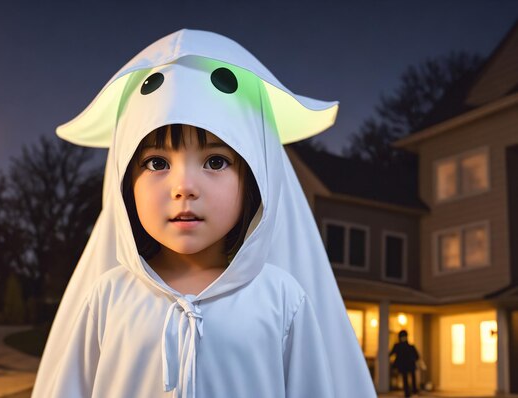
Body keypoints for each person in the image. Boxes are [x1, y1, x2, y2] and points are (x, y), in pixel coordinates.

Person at [32, 29, 376, 397]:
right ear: (124, 180)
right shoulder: (108, 297)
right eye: (156, 162)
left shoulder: (281, 300)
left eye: (215, 161)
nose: (184, 186)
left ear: (255, 178)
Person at [390, 330, 420, 397]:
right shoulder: (398, 346)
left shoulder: (409, 347)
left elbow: (417, 356)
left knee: (411, 377)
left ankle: (413, 391)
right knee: (406, 378)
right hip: (404, 365)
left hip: (409, 365)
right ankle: (409, 392)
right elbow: (391, 354)